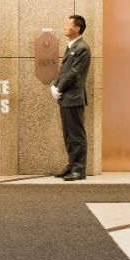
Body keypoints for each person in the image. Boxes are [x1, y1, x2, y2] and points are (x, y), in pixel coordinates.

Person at [50, 15, 91, 181]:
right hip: (66, 98)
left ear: (77, 29)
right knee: (68, 135)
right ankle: (72, 165)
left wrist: (59, 88)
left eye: (68, 24)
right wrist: (55, 85)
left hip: (74, 98)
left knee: (77, 135)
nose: (65, 27)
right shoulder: (72, 46)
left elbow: (74, 73)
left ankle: (79, 170)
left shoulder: (82, 48)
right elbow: (64, 70)